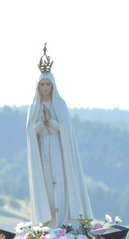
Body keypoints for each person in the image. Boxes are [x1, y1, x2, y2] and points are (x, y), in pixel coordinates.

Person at [26, 45, 93, 227]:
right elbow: (31, 131)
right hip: (43, 149)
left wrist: (51, 122)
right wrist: (42, 123)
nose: (45, 88)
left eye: (48, 84)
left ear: (53, 86)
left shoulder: (60, 104)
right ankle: (50, 223)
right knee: (47, 184)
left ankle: (64, 221)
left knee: (61, 182)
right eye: (42, 84)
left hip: (58, 147)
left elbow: (66, 128)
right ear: (38, 86)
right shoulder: (33, 107)